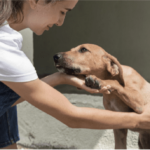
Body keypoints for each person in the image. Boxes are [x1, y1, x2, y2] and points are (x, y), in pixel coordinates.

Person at [0, 0, 150, 149]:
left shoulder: (8, 41)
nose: (60, 22)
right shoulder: (6, 49)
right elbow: (72, 116)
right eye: (62, 11)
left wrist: (61, 78)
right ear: (36, 1)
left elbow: (14, 98)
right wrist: (140, 120)